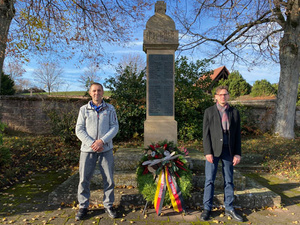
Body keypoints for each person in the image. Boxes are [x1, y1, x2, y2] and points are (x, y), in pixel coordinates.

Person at [75, 82, 119, 221]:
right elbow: (79, 129)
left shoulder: (110, 108)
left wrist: (102, 141)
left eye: (99, 90)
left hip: (105, 149)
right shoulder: (83, 109)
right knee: (84, 179)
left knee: (109, 179)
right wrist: (92, 143)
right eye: (94, 91)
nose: (97, 93)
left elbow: (114, 127)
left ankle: (108, 204)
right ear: (90, 93)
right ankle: (83, 206)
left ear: (103, 92)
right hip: (87, 150)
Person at [200, 85, 243, 222]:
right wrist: (207, 152)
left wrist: (237, 153)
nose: (223, 96)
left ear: (228, 96)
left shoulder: (234, 112)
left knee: (229, 180)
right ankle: (207, 208)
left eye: (225, 94)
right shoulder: (209, 111)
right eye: (220, 94)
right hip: (213, 151)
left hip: (228, 151)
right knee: (209, 180)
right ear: (216, 97)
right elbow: (205, 134)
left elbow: (237, 135)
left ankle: (229, 208)